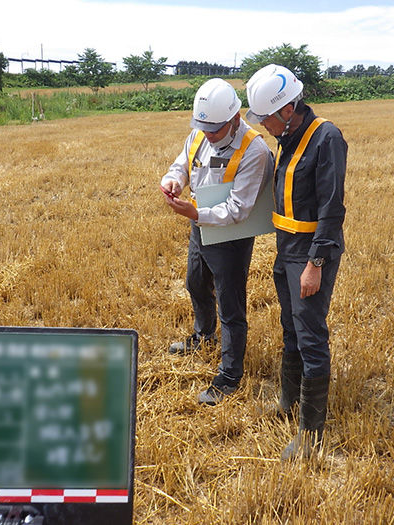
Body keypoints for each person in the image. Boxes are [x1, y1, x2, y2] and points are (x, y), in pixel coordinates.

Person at [245, 64, 347, 459]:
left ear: (288, 109)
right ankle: (288, 401)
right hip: (286, 248)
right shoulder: (287, 136)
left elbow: (331, 209)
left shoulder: (327, 138)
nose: (263, 125)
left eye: (266, 117)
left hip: (309, 253)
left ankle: (310, 434)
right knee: (290, 326)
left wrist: (315, 263)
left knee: (310, 334)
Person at [160, 78, 273, 405]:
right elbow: (183, 163)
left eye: (214, 129)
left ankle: (230, 375)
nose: (207, 135)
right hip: (201, 225)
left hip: (231, 236)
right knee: (195, 283)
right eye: (203, 127)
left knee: (231, 304)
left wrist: (195, 214)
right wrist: (173, 180)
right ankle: (203, 335)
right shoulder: (200, 132)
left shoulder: (255, 150)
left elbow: (239, 209)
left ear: (235, 119)